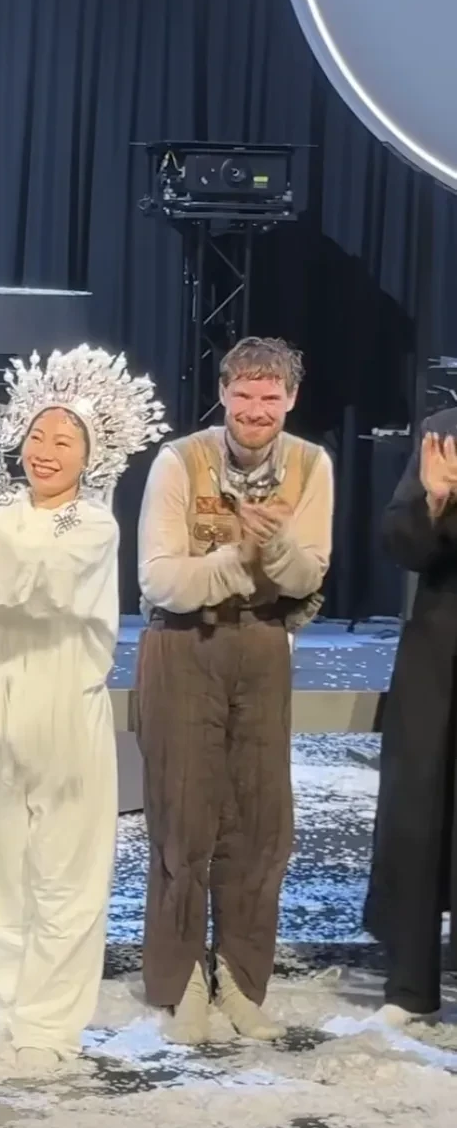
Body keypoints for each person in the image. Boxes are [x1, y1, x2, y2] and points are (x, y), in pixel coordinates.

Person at [0, 345, 167, 1070]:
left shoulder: (92, 526)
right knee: (0, 872)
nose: (46, 451)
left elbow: (41, 579)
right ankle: (15, 1005)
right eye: (37, 435)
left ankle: (52, 1027)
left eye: (64, 441)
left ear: (91, 457)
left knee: (66, 874)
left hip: (63, 709)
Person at [136, 337, 334, 1044]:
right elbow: (161, 579)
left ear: (291, 400)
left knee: (259, 819)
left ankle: (242, 979)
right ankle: (180, 978)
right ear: (223, 393)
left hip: (263, 644)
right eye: (243, 395)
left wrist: (274, 548)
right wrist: (238, 557)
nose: (255, 410)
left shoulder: (311, 465)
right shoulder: (179, 461)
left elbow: (308, 573)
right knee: (183, 815)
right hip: (184, 641)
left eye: (269, 397)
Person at [364, 413, 457, 1026]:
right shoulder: (444, 431)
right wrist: (435, 499)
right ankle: (410, 986)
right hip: (440, 651)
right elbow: (401, 543)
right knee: (417, 809)